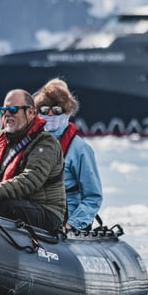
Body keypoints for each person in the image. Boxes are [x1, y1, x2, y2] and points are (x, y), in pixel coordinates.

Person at [0, 89, 66, 232]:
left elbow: (31, 179)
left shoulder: (46, 143)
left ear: (30, 113)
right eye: (4, 110)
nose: (7, 114)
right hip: (15, 202)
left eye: (13, 109)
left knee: (3, 207)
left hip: (46, 211)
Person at [32, 77, 103, 231]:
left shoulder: (80, 149)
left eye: (57, 110)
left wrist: (72, 224)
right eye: (44, 110)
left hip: (64, 215)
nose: (50, 115)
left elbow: (93, 196)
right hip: (36, 211)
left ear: (67, 111)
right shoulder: (32, 143)